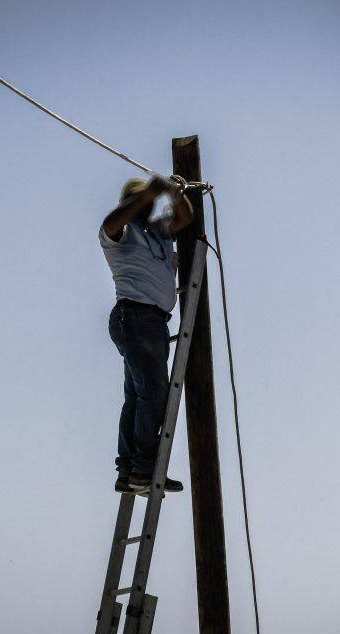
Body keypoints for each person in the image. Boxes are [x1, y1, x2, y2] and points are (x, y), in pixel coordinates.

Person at [99, 175, 194, 493]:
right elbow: (112, 222)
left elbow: (185, 217)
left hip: (149, 320)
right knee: (153, 394)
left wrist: (176, 193)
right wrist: (148, 194)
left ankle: (129, 470)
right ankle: (142, 469)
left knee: (138, 397)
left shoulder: (158, 231)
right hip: (135, 316)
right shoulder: (121, 231)